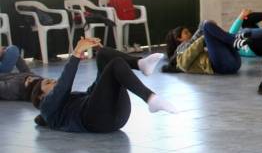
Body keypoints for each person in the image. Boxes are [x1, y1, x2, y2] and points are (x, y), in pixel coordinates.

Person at [30, 39, 175, 133]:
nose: (53, 81)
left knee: (104, 55)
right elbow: (63, 85)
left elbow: (93, 92)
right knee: (116, 64)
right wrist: (76, 53)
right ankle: (151, 99)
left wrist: (104, 57)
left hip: (115, 116)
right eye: (48, 83)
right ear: (41, 96)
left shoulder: (67, 103)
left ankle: (140, 64)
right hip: (95, 120)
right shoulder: (46, 107)